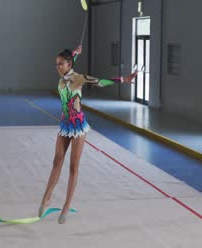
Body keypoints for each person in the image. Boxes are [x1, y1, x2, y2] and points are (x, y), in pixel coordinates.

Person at [39, 45, 137, 224]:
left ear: (68, 64)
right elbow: (72, 58)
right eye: (56, 64)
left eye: (60, 64)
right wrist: (76, 51)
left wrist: (124, 79)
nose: (57, 67)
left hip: (77, 126)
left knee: (73, 166)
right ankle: (47, 196)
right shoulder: (63, 77)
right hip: (65, 124)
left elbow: (99, 82)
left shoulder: (78, 78)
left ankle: (66, 206)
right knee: (57, 159)